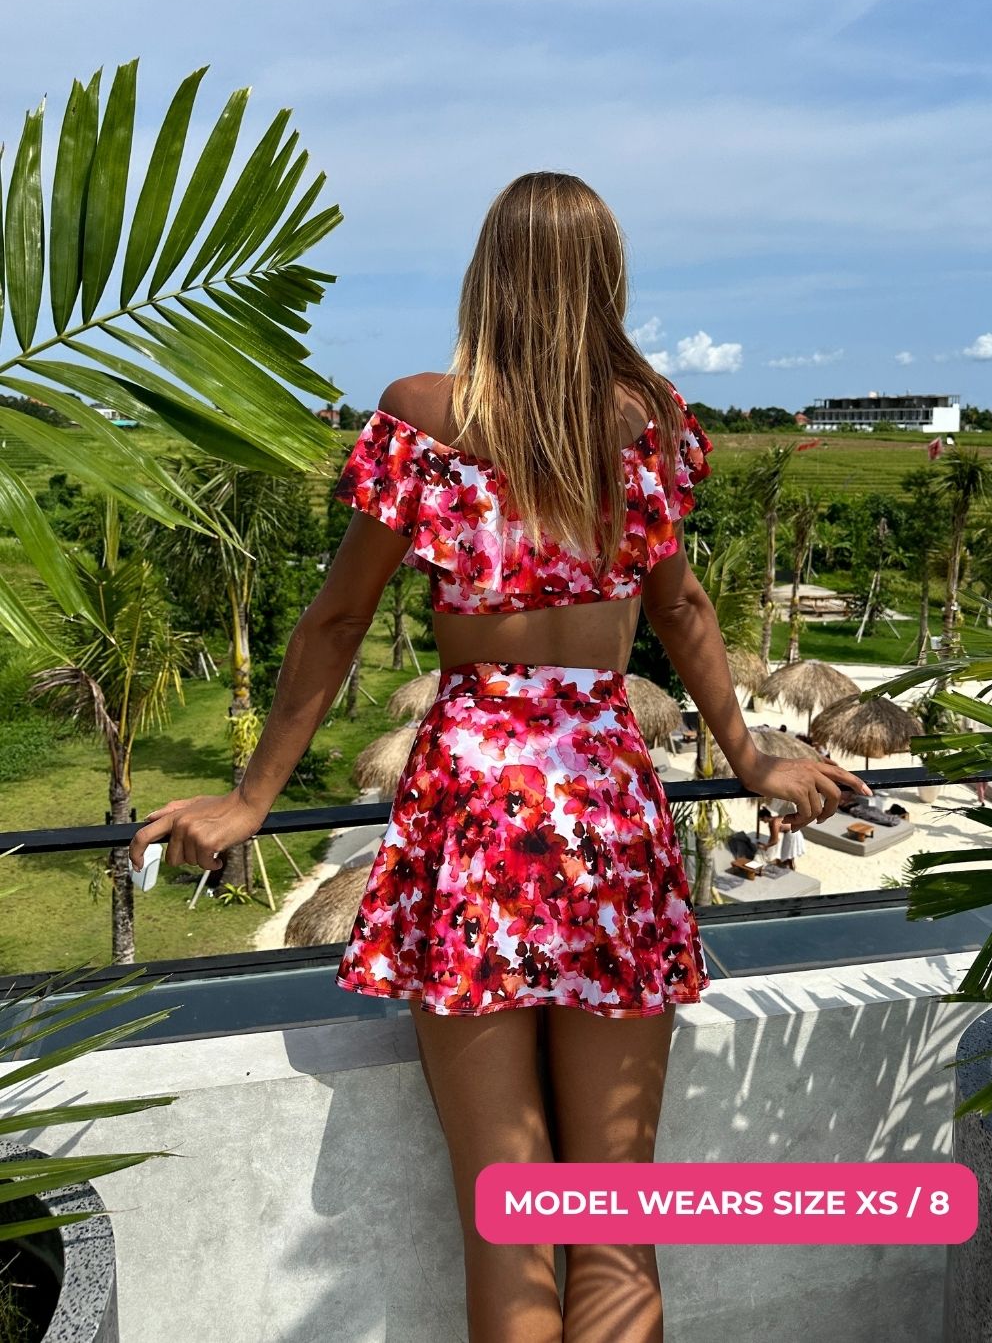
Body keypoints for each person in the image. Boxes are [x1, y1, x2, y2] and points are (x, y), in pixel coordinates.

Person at [128, 172, 871, 1343]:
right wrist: (749, 753)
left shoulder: (424, 414)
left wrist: (250, 797)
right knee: (616, 1218)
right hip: (609, 804)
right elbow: (684, 616)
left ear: (489, 277)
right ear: (606, 281)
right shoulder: (656, 425)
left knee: (510, 1218)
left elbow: (330, 625)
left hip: (478, 803)